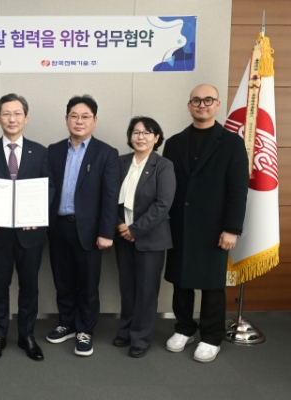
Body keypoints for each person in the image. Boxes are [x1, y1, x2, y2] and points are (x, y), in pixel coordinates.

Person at [163, 84, 249, 362]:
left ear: (217, 104)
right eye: (197, 100)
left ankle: (212, 337)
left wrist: (232, 228)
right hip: (179, 224)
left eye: (208, 100)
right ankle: (184, 328)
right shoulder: (174, 143)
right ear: (189, 106)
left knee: (212, 285)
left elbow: (238, 189)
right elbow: (166, 186)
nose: (202, 105)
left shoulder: (232, 143)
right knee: (181, 281)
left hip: (215, 228)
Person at [0, 93, 55, 362]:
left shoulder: (40, 152)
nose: (12, 119)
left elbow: (49, 187)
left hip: (31, 233)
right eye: (6, 114)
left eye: (17, 113)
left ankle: (26, 335)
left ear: (26, 118)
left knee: (29, 287)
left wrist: (37, 215)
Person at [46, 95, 119, 357]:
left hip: (89, 230)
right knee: (62, 280)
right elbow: (46, 188)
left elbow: (110, 196)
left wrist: (106, 232)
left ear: (94, 120)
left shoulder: (106, 153)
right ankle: (66, 323)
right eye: (74, 116)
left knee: (88, 284)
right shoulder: (53, 150)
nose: (79, 121)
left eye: (85, 116)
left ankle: (85, 329)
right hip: (58, 227)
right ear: (66, 119)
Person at [113, 116, 175, 358]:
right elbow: (108, 196)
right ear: (130, 136)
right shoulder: (120, 162)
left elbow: (163, 204)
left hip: (150, 239)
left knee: (146, 291)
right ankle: (126, 330)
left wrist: (135, 229)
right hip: (122, 235)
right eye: (136, 132)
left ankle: (140, 337)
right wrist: (119, 225)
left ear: (156, 138)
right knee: (127, 288)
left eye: (147, 132)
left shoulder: (163, 165)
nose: (141, 137)